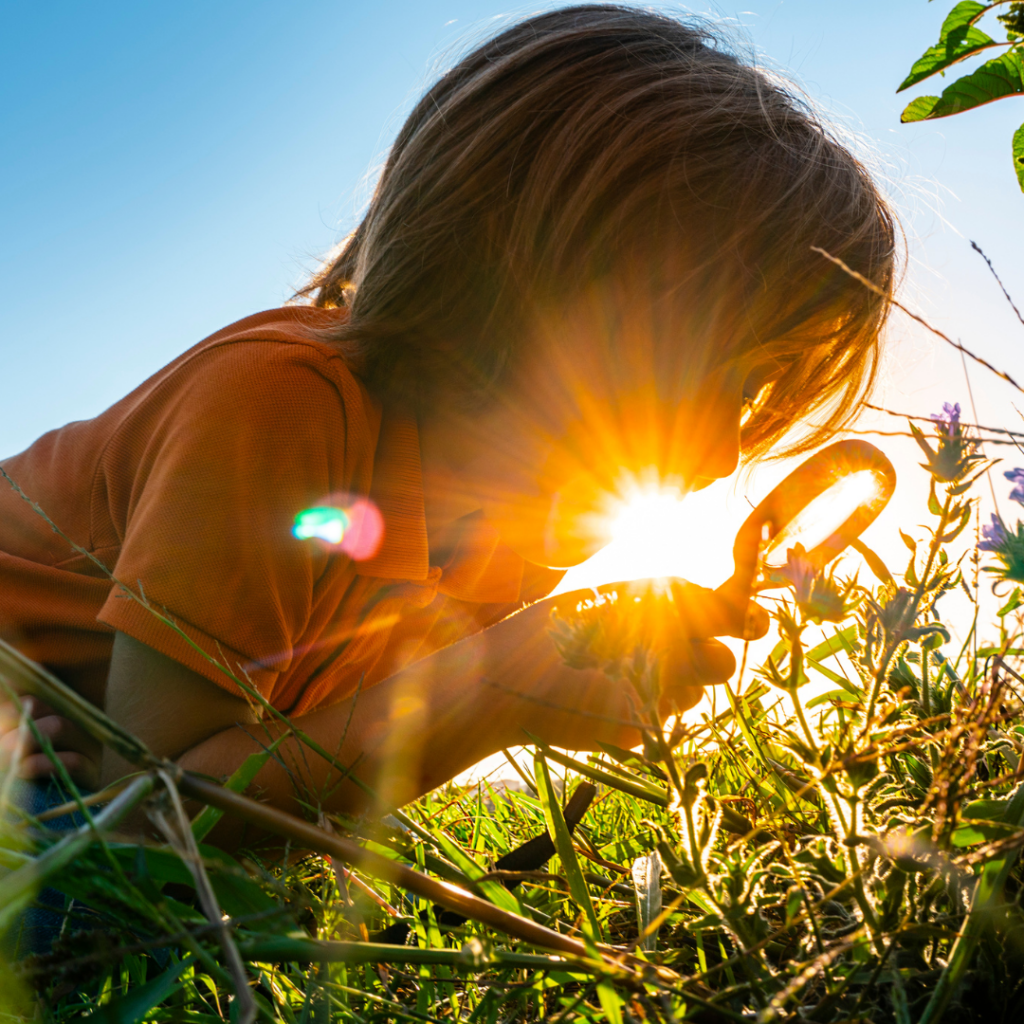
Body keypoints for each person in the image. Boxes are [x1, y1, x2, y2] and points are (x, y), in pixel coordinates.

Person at [0, 5, 895, 852]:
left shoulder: (513, 532)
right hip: (56, 758)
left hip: (76, 770)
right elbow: (154, 811)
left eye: (756, 396)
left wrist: (547, 682)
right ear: (529, 296)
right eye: (714, 375)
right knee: (71, 903)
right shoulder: (280, 406)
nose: (727, 451)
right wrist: (496, 688)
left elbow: (325, 760)